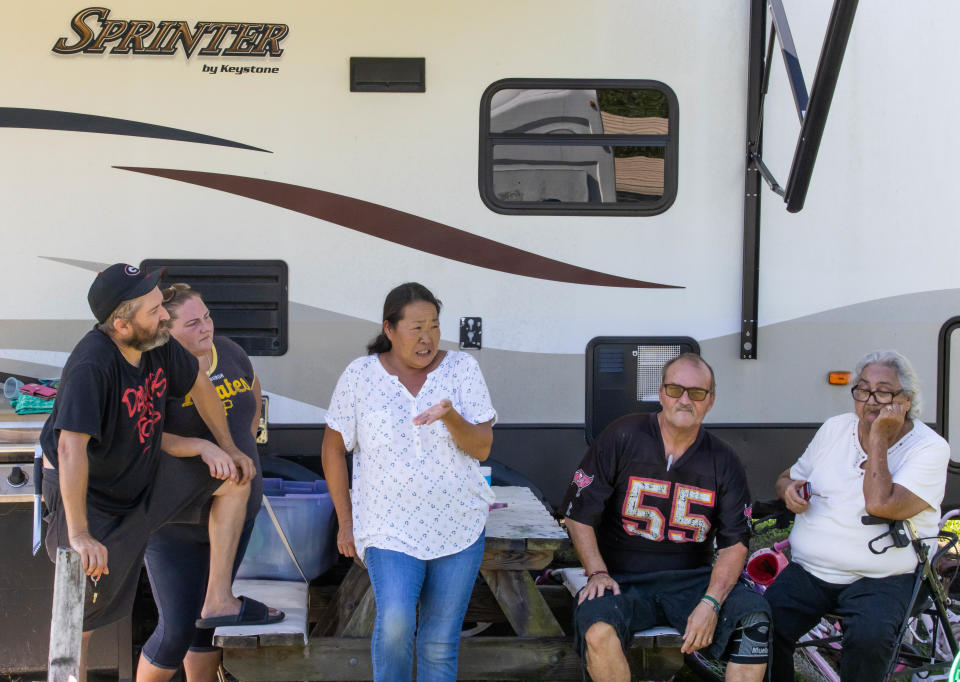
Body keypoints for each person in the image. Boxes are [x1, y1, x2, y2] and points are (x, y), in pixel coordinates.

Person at [39, 264, 281, 682]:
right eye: (154, 310)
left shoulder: (157, 343)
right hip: (90, 498)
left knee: (236, 477)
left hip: (142, 478)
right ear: (122, 324)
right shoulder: (91, 367)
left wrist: (225, 446)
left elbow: (200, 385)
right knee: (80, 612)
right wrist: (79, 533)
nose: (165, 316)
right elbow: (69, 447)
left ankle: (218, 598)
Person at [321, 282, 496, 682]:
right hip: (388, 527)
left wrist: (450, 417)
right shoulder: (360, 375)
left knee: (438, 642)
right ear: (389, 328)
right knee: (397, 622)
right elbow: (332, 449)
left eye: (434, 326)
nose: (427, 337)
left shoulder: (462, 369)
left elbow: (482, 447)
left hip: (458, 525)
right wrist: (346, 522)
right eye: (416, 327)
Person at [563, 353, 768, 682]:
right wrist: (597, 571)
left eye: (697, 393)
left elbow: (735, 544)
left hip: (693, 581)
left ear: (710, 402)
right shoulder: (622, 436)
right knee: (598, 630)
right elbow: (578, 514)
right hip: (621, 578)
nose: (685, 400)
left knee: (754, 619)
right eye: (676, 389)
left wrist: (711, 602)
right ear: (661, 392)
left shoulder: (724, 460)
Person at [764, 350, 950, 681]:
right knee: (762, 625)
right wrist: (790, 490)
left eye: (883, 391)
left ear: (906, 400)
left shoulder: (929, 448)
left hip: (885, 578)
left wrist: (879, 437)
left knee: (869, 640)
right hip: (813, 569)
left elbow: (880, 504)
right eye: (863, 389)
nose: (871, 399)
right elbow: (785, 477)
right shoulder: (836, 428)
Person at [137, 284, 271, 681]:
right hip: (176, 522)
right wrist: (202, 447)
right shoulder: (155, 367)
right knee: (176, 629)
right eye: (193, 322)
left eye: (207, 316)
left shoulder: (229, 351)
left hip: (235, 515)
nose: (206, 327)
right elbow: (146, 434)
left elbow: (252, 389)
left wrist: (247, 442)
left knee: (208, 625)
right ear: (167, 327)